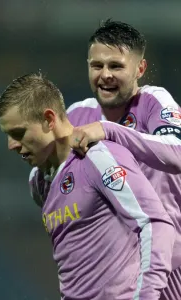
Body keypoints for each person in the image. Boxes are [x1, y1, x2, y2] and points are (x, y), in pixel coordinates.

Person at [0, 72, 175, 300]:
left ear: (49, 120)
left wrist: (147, 295)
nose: (11, 145)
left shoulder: (98, 157)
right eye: (7, 135)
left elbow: (155, 224)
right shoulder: (39, 182)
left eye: (18, 133)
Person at [67, 20, 181, 300]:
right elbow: (52, 177)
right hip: (111, 274)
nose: (105, 75)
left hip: (169, 266)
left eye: (116, 66)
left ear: (139, 69)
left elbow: (177, 153)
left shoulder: (153, 102)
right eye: (97, 66)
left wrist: (109, 131)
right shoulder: (77, 115)